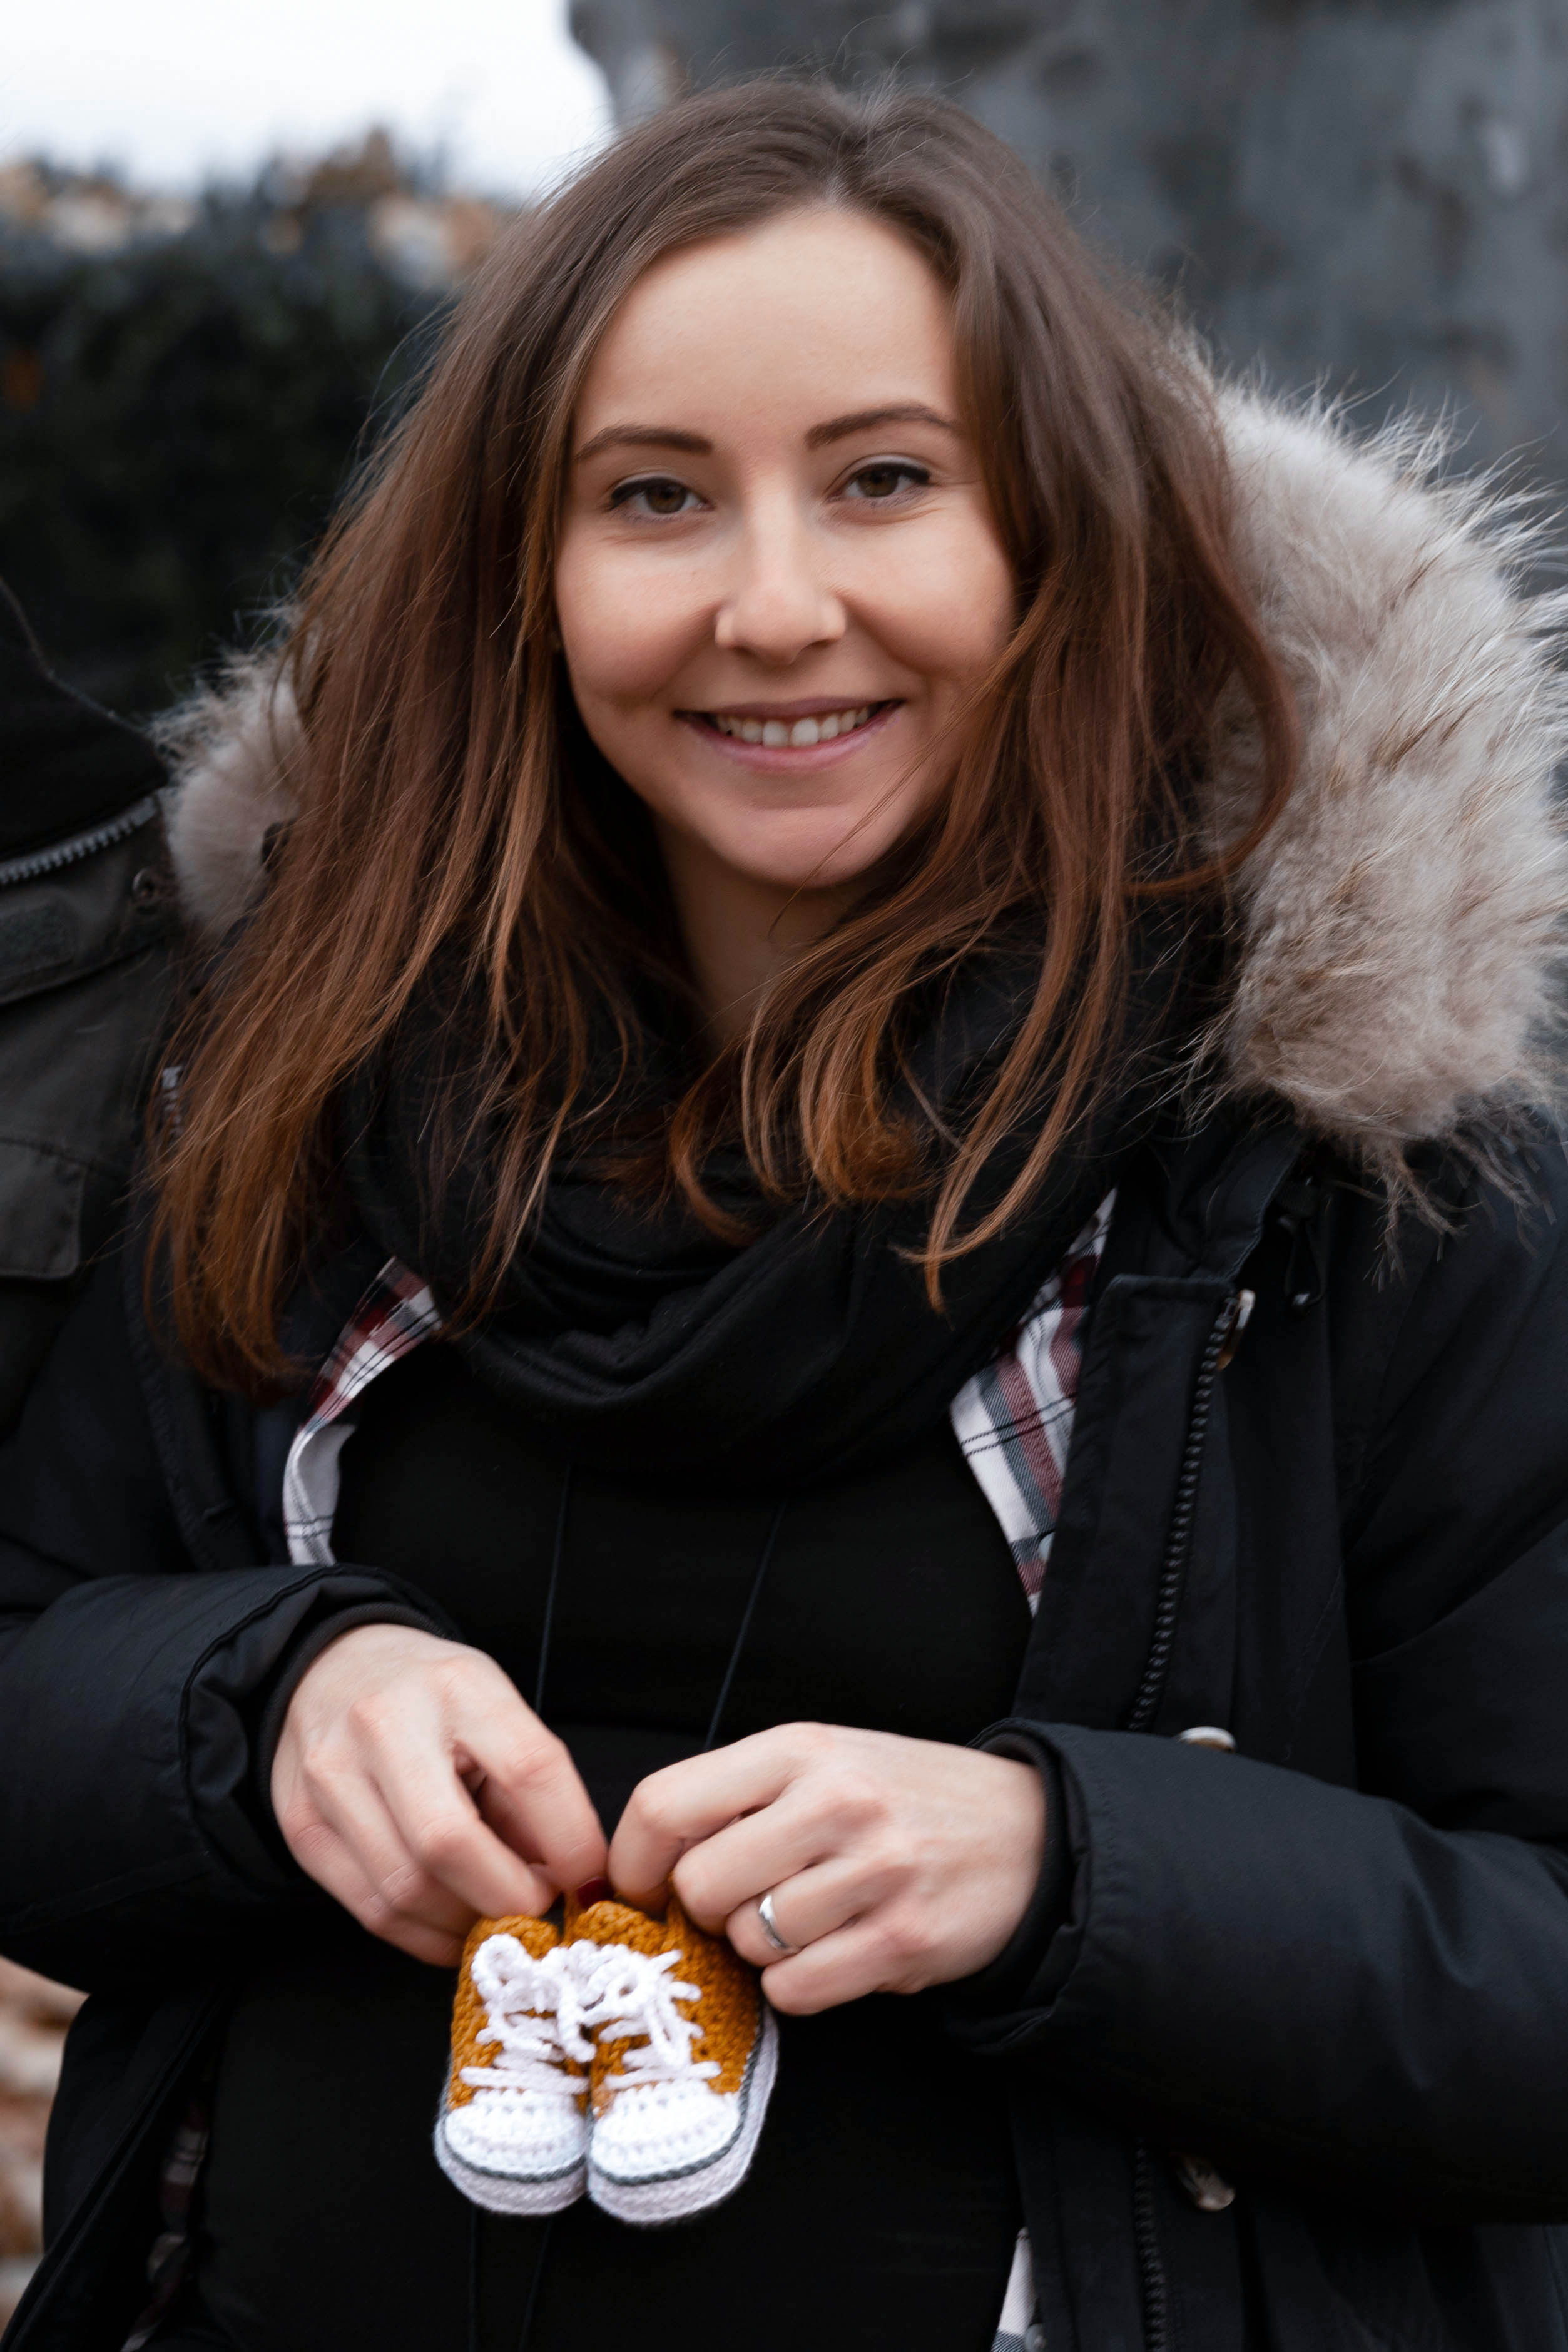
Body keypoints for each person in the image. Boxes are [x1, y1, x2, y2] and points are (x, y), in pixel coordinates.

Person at [3, 74, 1567, 2352]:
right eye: (653, 497)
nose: (771, 603)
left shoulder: (1352, 1179)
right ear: (517, 576)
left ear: (1055, 543)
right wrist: (256, 1702)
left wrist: (1070, 1871)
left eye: (884, 482)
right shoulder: (287, 1092)